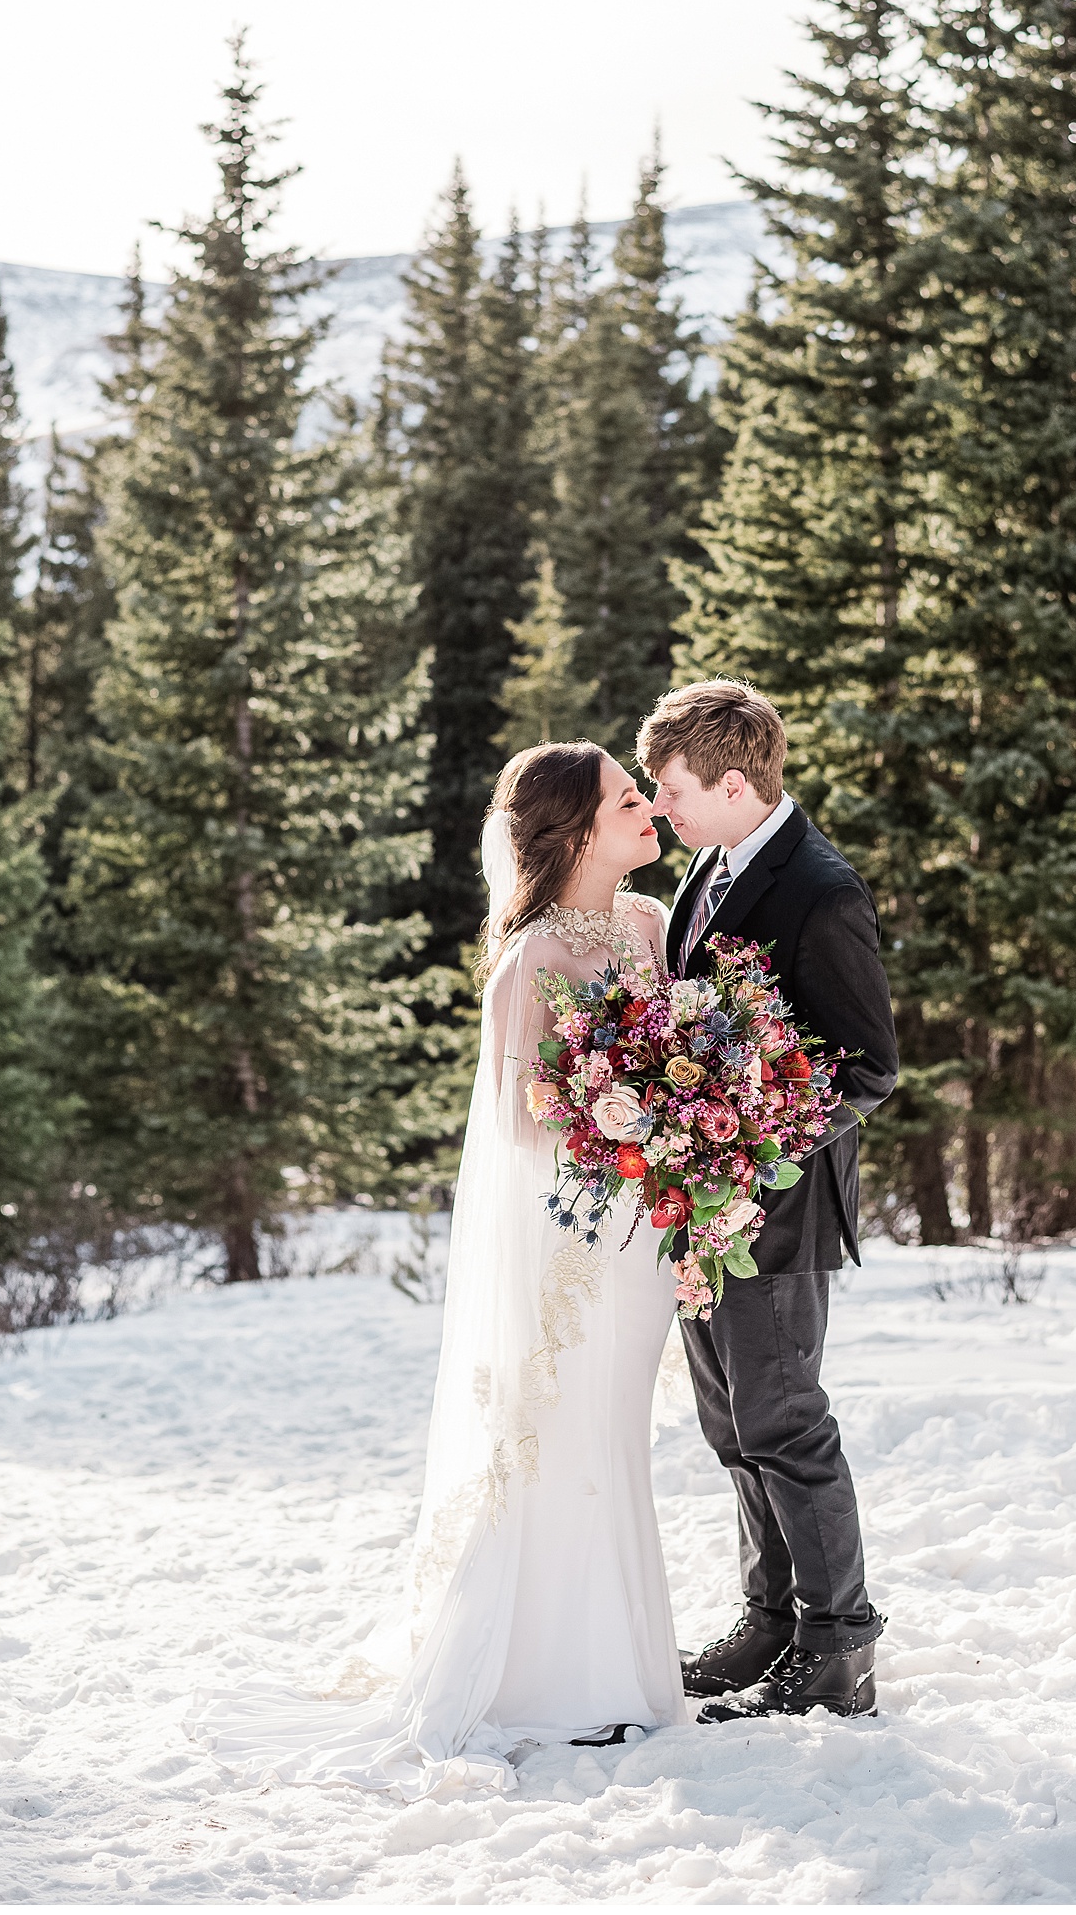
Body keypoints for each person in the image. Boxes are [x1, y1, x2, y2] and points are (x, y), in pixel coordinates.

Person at [186, 741, 688, 1798]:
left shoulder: (649, 923)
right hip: (573, 1245)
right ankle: (547, 1677)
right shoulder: (532, 962)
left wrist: (680, 1115)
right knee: (561, 1434)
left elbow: (690, 1048)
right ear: (574, 833)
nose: (647, 806)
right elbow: (514, 1119)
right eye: (626, 797)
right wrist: (615, 1109)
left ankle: (629, 1662)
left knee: (619, 1437)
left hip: (642, 1234)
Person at [636, 678, 899, 1723]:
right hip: (707, 1208)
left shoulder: (821, 890)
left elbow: (868, 1066)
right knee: (731, 1422)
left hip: (776, 1212)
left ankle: (839, 1645)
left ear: (734, 781)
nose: (662, 808)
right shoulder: (715, 858)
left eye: (672, 788)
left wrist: (746, 1147)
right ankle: (772, 1616)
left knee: (786, 1422)